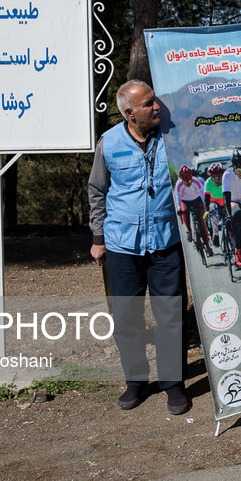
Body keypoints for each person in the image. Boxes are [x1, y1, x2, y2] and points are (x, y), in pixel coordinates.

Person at [88, 80, 190, 415]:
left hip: (166, 244)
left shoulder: (174, 139)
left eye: (155, 100)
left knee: (171, 317)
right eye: (148, 104)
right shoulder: (110, 143)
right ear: (130, 113)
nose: (156, 106)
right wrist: (98, 239)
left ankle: (173, 384)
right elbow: (98, 191)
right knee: (126, 317)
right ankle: (136, 381)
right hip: (122, 246)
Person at [222, 149, 241, 267]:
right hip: (234, 201)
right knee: (238, 215)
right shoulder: (227, 175)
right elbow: (226, 198)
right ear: (233, 168)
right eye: (239, 170)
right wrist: (228, 215)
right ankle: (238, 251)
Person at [175, 165, 211, 255]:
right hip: (185, 201)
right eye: (185, 181)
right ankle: (189, 231)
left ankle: (207, 245)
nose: (188, 183)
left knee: (201, 222)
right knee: (184, 212)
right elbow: (178, 197)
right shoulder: (179, 184)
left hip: (196, 199)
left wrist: (206, 207)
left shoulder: (197, 181)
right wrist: (179, 208)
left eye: (189, 180)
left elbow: (203, 196)